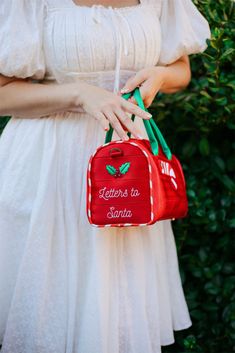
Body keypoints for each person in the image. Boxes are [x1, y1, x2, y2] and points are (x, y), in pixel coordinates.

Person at [0, 1, 210, 352]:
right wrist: (79, 94)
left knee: (117, 310)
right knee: (47, 307)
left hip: (129, 175)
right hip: (49, 171)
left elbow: (181, 70)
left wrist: (159, 75)